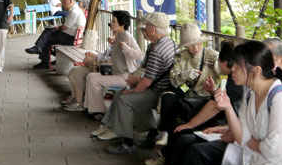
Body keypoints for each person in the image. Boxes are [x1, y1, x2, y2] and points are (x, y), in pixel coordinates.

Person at [155, 41, 245, 165]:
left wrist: (190, 124)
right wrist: (213, 91)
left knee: (183, 136)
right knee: (178, 129)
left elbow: (215, 106)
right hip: (226, 126)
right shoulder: (180, 56)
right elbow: (222, 101)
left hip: (227, 129)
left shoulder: (235, 80)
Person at [93, 12, 176, 155]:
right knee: (125, 94)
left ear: (153, 28)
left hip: (159, 91)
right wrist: (136, 84)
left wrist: (133, 90)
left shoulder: (156, 50)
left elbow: (147, 81)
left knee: (126, 100)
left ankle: (127, 142)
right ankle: (151, 131)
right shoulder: (169, 43)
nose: (144, 29)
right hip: (161, 88)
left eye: (147, 26)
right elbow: (149, 76)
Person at [211, 40, 282, 165]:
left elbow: (275, 151)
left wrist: (256, 144)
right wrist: (227, 107)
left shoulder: (281, 98)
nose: (233, 68)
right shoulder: (250, 95)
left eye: (237, 64)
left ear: (256, 70)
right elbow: (243, 139)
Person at [155, 23, 221, 147]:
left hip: (206, 94)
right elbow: (173, 79)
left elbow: (223, 73)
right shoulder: (180, 56)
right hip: (186, 90)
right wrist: (185, 75)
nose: (195, 48)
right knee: (167, 97)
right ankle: (165, 132)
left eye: (198, 43)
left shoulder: (213, 56)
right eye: (191, 45)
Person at [80, 10, 144, 117]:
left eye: (114, 21)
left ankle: (98, 111)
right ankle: (90, 108)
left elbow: (140, 56)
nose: (111, 24)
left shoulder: (127, 37)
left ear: (122, 24)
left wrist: (125, 48)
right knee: (90, 76)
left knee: (94, 80)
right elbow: (115, 58)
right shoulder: (118, 37)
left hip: (125, 77)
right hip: (115, 73)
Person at [25, 0, 86, 69]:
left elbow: (64, 27)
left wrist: (58, 27)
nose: (62, 3)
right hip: (71, 36)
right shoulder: (75, 10)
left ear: (70, 1)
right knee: (49, 32)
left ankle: (41, 53)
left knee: (48, 36)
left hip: (70, 38)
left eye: (64, 1)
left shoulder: (74, 12)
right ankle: (39, 50)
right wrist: (57, 27)